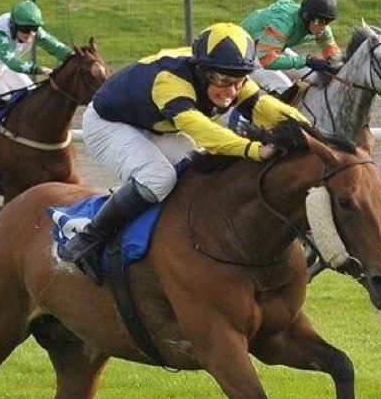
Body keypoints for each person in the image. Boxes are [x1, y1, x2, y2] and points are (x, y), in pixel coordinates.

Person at [59, 22, 317, 283]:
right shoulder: (171, 81)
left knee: (198, 173)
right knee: (158, 178)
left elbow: (265, 106)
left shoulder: (227, 74)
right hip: (109, 123)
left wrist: (312, 132)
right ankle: (87, 240)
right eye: (224, 81)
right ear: (203, 72)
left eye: (238, 82)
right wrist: (252, 149)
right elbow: (201, 129)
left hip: (154, 123)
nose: (231, 92)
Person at [0, 0, 73, 147]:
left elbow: (58, 48)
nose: (30, 34)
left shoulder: (33, 31)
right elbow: (13, 63)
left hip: (3, 66)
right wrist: (41, 69)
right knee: (2, 96)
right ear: (13, 25)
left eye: (34, 28)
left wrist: (78, 57)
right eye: (25, 29)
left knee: (32, 93)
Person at [239, 0, 343, 95]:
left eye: (328, 22)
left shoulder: (320, 26)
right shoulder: (283, 22)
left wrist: (340, 64)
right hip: (244, 53)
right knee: (285, 87)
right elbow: (267, 60)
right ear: (306, 16)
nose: (323, 27)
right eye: (320, 22)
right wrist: (307, 61)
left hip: (270, 48)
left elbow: (333, 53)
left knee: (315, 76)